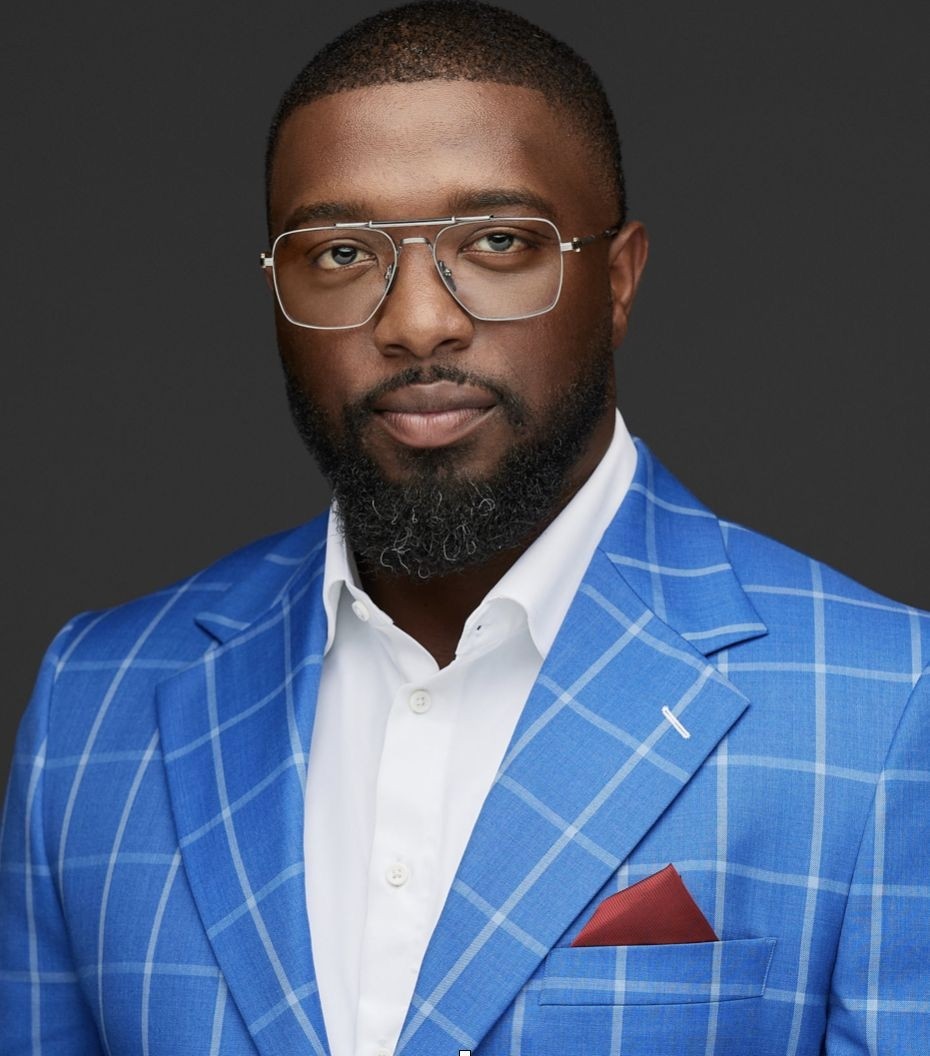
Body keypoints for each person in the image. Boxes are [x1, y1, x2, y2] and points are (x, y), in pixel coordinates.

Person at [1, 2, 927, 1053]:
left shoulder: (889, 707)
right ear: (274, 291)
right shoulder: (95, 707)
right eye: (342, 252)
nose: (416, 320)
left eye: (496, 241)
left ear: (617, 280)